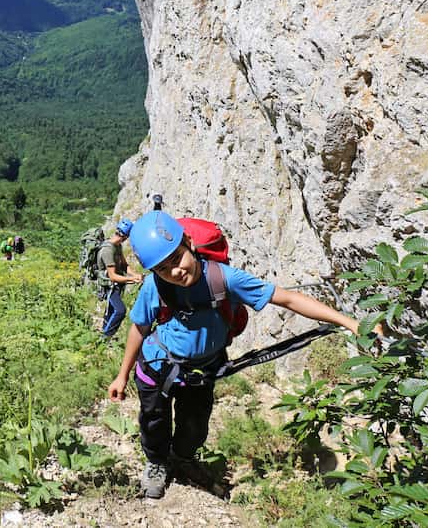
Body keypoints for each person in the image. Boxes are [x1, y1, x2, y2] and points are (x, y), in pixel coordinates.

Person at [107, 211, 377, 499]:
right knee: (153, 420)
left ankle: (183, 458)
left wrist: (348, 322)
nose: (174, 272)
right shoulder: (154, 287)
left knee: (195, 425)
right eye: (163, 269)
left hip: (202, 372)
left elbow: (287, 298)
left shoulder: (224, 279)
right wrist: (122, 375)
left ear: (188, 243)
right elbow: (139, 329)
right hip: (156, 367)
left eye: (176, 259)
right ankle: (157, 463)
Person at [98, 218, 144, 338]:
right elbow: (113, 276)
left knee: (112, 311)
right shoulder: (108, 250)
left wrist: (135, 275)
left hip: (116, 285)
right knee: (120, 310)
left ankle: (103, 338)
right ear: (126, 237)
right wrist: (132, 280)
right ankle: (105, 338)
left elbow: (124, 265)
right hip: (110, 286)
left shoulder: (117, 246)